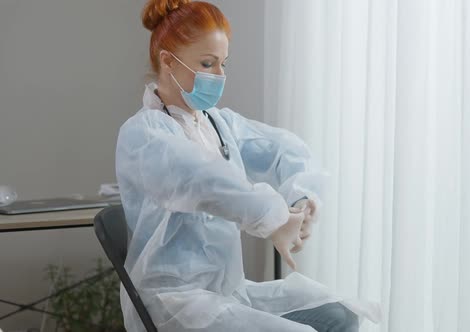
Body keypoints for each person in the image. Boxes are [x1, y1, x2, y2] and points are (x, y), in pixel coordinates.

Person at [116, 1, 379, 331]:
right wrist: (273, 217)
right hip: (177, 302)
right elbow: (204, 179)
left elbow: (286, 150)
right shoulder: (145, 135)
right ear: (168, 61)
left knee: (340, 315)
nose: (219, 76)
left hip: (229, 293)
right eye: (208, 63)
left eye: (223, 64)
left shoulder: (218, 124)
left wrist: (301, 199)